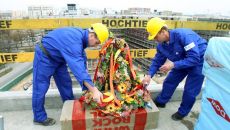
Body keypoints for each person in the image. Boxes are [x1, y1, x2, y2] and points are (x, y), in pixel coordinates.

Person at [32, 23, 109, 126]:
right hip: (44, 57)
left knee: (65, 83)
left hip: (58, 58)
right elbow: (78, 69)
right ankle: (39, 117)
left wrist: (88, 85)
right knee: (41, 87)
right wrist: (93, 90)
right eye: (97, 42)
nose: (96, 45)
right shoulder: (74, 42)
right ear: (92, 35)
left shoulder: (81, 37)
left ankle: (69, 108)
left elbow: (81, 59)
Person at [142, 17, 207, 121]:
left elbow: (194, 58)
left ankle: (182, 112)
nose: (155, 39)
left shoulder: (183, 36)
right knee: (170, 81)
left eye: (155, 36)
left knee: (190, 90)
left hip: (198, 61)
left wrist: (173, 65)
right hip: (180, 61)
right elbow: (157, 61)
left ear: (163, 31)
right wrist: (149, 75)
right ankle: (162, 101)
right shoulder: (161, 46)